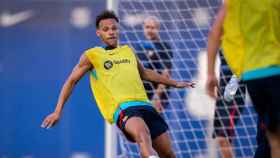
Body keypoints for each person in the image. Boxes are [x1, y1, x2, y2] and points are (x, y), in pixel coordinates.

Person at [41, 10, 195, 158]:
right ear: (98, 33)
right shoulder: (92, 55)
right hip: (123, 109)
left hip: (145, 105)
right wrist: (57, 111)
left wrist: (175, 83)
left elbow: (145, 73)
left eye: (114, 28)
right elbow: (71, 81)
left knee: (168, 153)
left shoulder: (128, 51)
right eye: (106, 29)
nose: (111, 32)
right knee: (143, 135)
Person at [206, 2, 271, 158]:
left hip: (237, 87)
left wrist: (236, 78)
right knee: (221, 138)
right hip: (224, 87)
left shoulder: (247, 33)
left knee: (226, 136)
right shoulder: (224, 36)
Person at [222, 0, 280, 158]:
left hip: (254, 78)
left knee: (270, 137)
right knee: (270, 139)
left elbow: (215, 35)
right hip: (266, 75)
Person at [136, 16, 173, 112]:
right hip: (142, 95)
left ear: (158, 29)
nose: (149, 30)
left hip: (157, 95)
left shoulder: (163, 47)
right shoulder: (140, 47)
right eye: (147, 27)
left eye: (153, 28)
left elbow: (166, 74)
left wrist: (157, 96)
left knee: (155, 124)